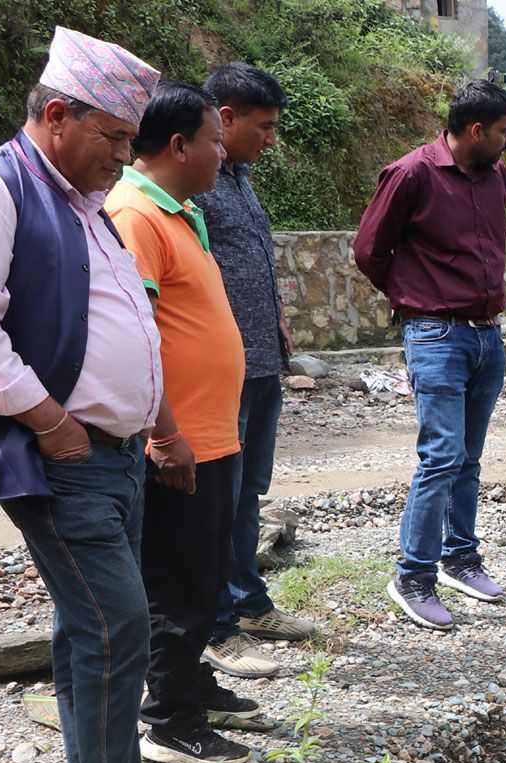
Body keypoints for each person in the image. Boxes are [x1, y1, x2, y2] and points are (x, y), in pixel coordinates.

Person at [0, 26, 201, 763]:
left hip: (116, 451)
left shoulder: (82, 202)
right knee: (114, 619)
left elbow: (126, 325)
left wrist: (159, 424)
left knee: (92, 625)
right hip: (62, 454)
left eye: (127, 139)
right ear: (57, 113)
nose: (123, 154)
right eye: (113, 137)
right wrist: (51, 421)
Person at [106, 79, 262, 763]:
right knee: (180, 580)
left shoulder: (177, 210)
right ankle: (171, 718)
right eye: (214, 142)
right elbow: (132, 337)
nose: (222, 156)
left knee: (203, 570)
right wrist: (164, 434)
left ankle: (190, 684)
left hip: (211, 432)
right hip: (180, 439)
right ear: (179, 145)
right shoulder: (136, 213)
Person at [353, 79, 506, 631]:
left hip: (486, 336)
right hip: (436, 335)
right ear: (476, 130)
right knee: (442, 455)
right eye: (504, 132)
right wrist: (416, 297)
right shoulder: (412, 173)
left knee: (469, 456)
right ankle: (413, 574)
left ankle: (459, 559)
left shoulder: (496, 175)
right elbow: (369, 250)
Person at [199, 62, 318, 681]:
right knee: (218, 499)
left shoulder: (239, 177)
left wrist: (275, 315)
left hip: (262, 360)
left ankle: (249, 603)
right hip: (220, 370)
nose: (272, 139)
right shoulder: (191, 179)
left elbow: (247, 258)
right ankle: (216, 627)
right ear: (225, 117)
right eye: (264, 127)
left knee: (249, 493)